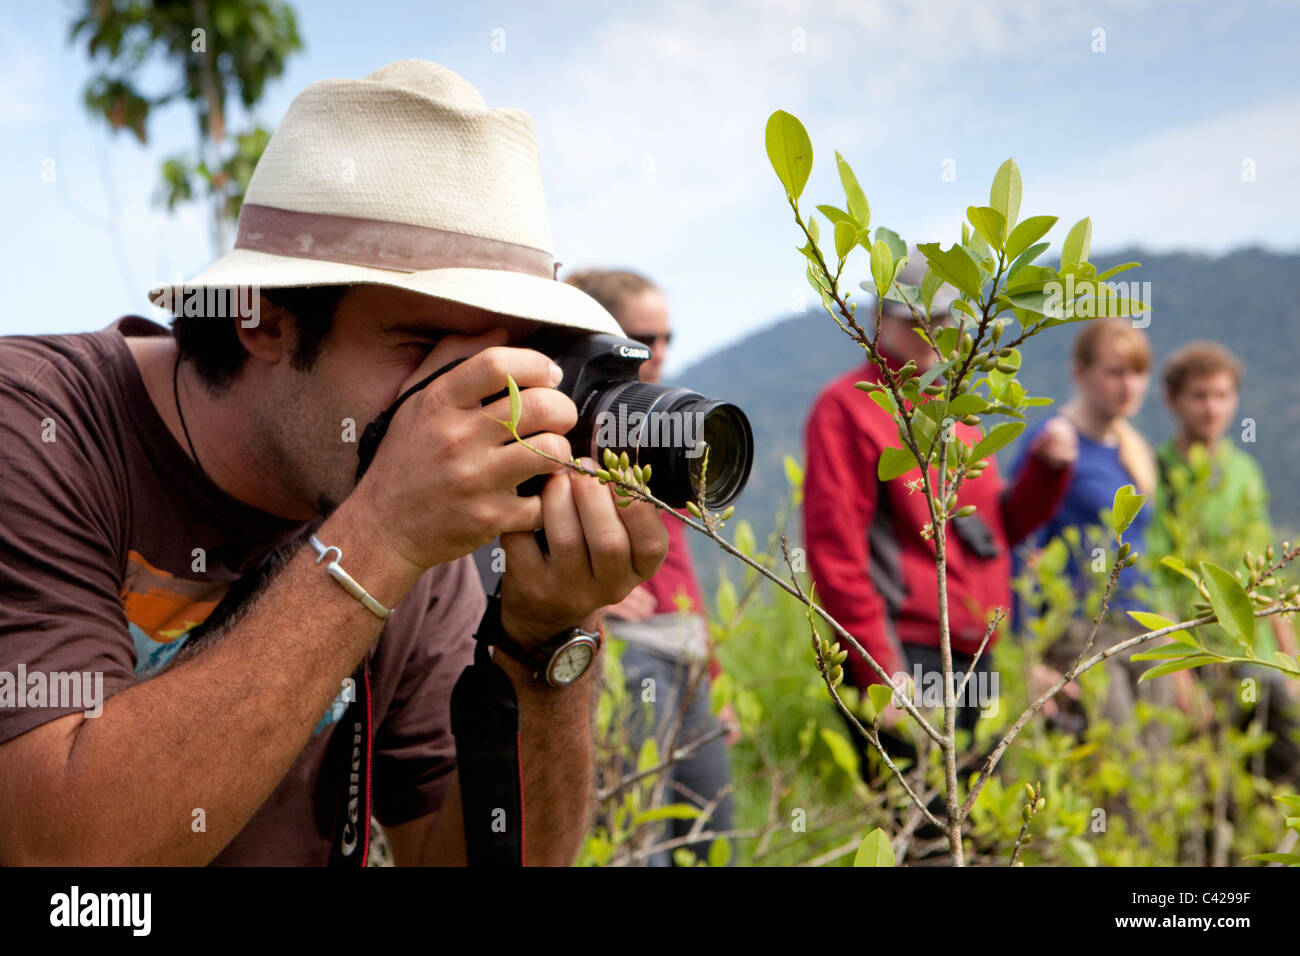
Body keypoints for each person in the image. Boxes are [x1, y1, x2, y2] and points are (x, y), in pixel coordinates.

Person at [0, 60, 668, 866]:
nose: (464, 404)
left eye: (500, 358)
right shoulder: (36, 429)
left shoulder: (410, 499)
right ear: (265, 321)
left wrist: (545, 648)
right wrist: (382, 532)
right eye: (422, 344)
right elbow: (65, 865)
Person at [803, 255, 1077, 764]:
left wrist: (1046, 471)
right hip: (906, 652)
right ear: (878, 320)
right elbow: (835, 549)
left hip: (974, 652)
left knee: (972, 829)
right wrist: (880, 668)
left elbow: (996, 531)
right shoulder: (847, 409)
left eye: (944, 319)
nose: (931, 332)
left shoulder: (958, 410)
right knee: (926, 831)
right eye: (915, 320)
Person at [564, 268, 735, 865]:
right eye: (643, 338)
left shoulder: (660, 418)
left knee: (714, 830)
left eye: (668, 338)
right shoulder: (569, 421)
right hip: (629, 649)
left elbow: (680, 567)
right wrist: (595, 597)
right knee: (642, 842)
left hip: (684, 647)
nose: (658, 353)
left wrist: (712, 673)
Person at [1011, 317, 1176, 735]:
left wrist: (1173, 634)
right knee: (1116, 764)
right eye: (1115, 372)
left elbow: (1148, 551)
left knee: (1160, 761)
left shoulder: (1134, 450)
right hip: (1083, 628)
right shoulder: (1053, 445)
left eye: (1138, 372)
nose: (1129, 386)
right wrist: (1026, 657)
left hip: (1145, 627)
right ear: (1079, 372)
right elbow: (1018, 547)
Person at [1150, 341, 1298, 782]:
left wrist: (1291, 662)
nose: (1211, 408)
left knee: (1281, 776)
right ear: (1173, 400)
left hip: (1255, 656)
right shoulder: (1157, 475)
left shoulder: (1246, 472)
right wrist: (1178, 678)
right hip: (1197, 657)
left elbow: (1267, 574)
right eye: (1199, 396)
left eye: (1221, 395)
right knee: (1208, 796)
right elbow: (1153, 581)